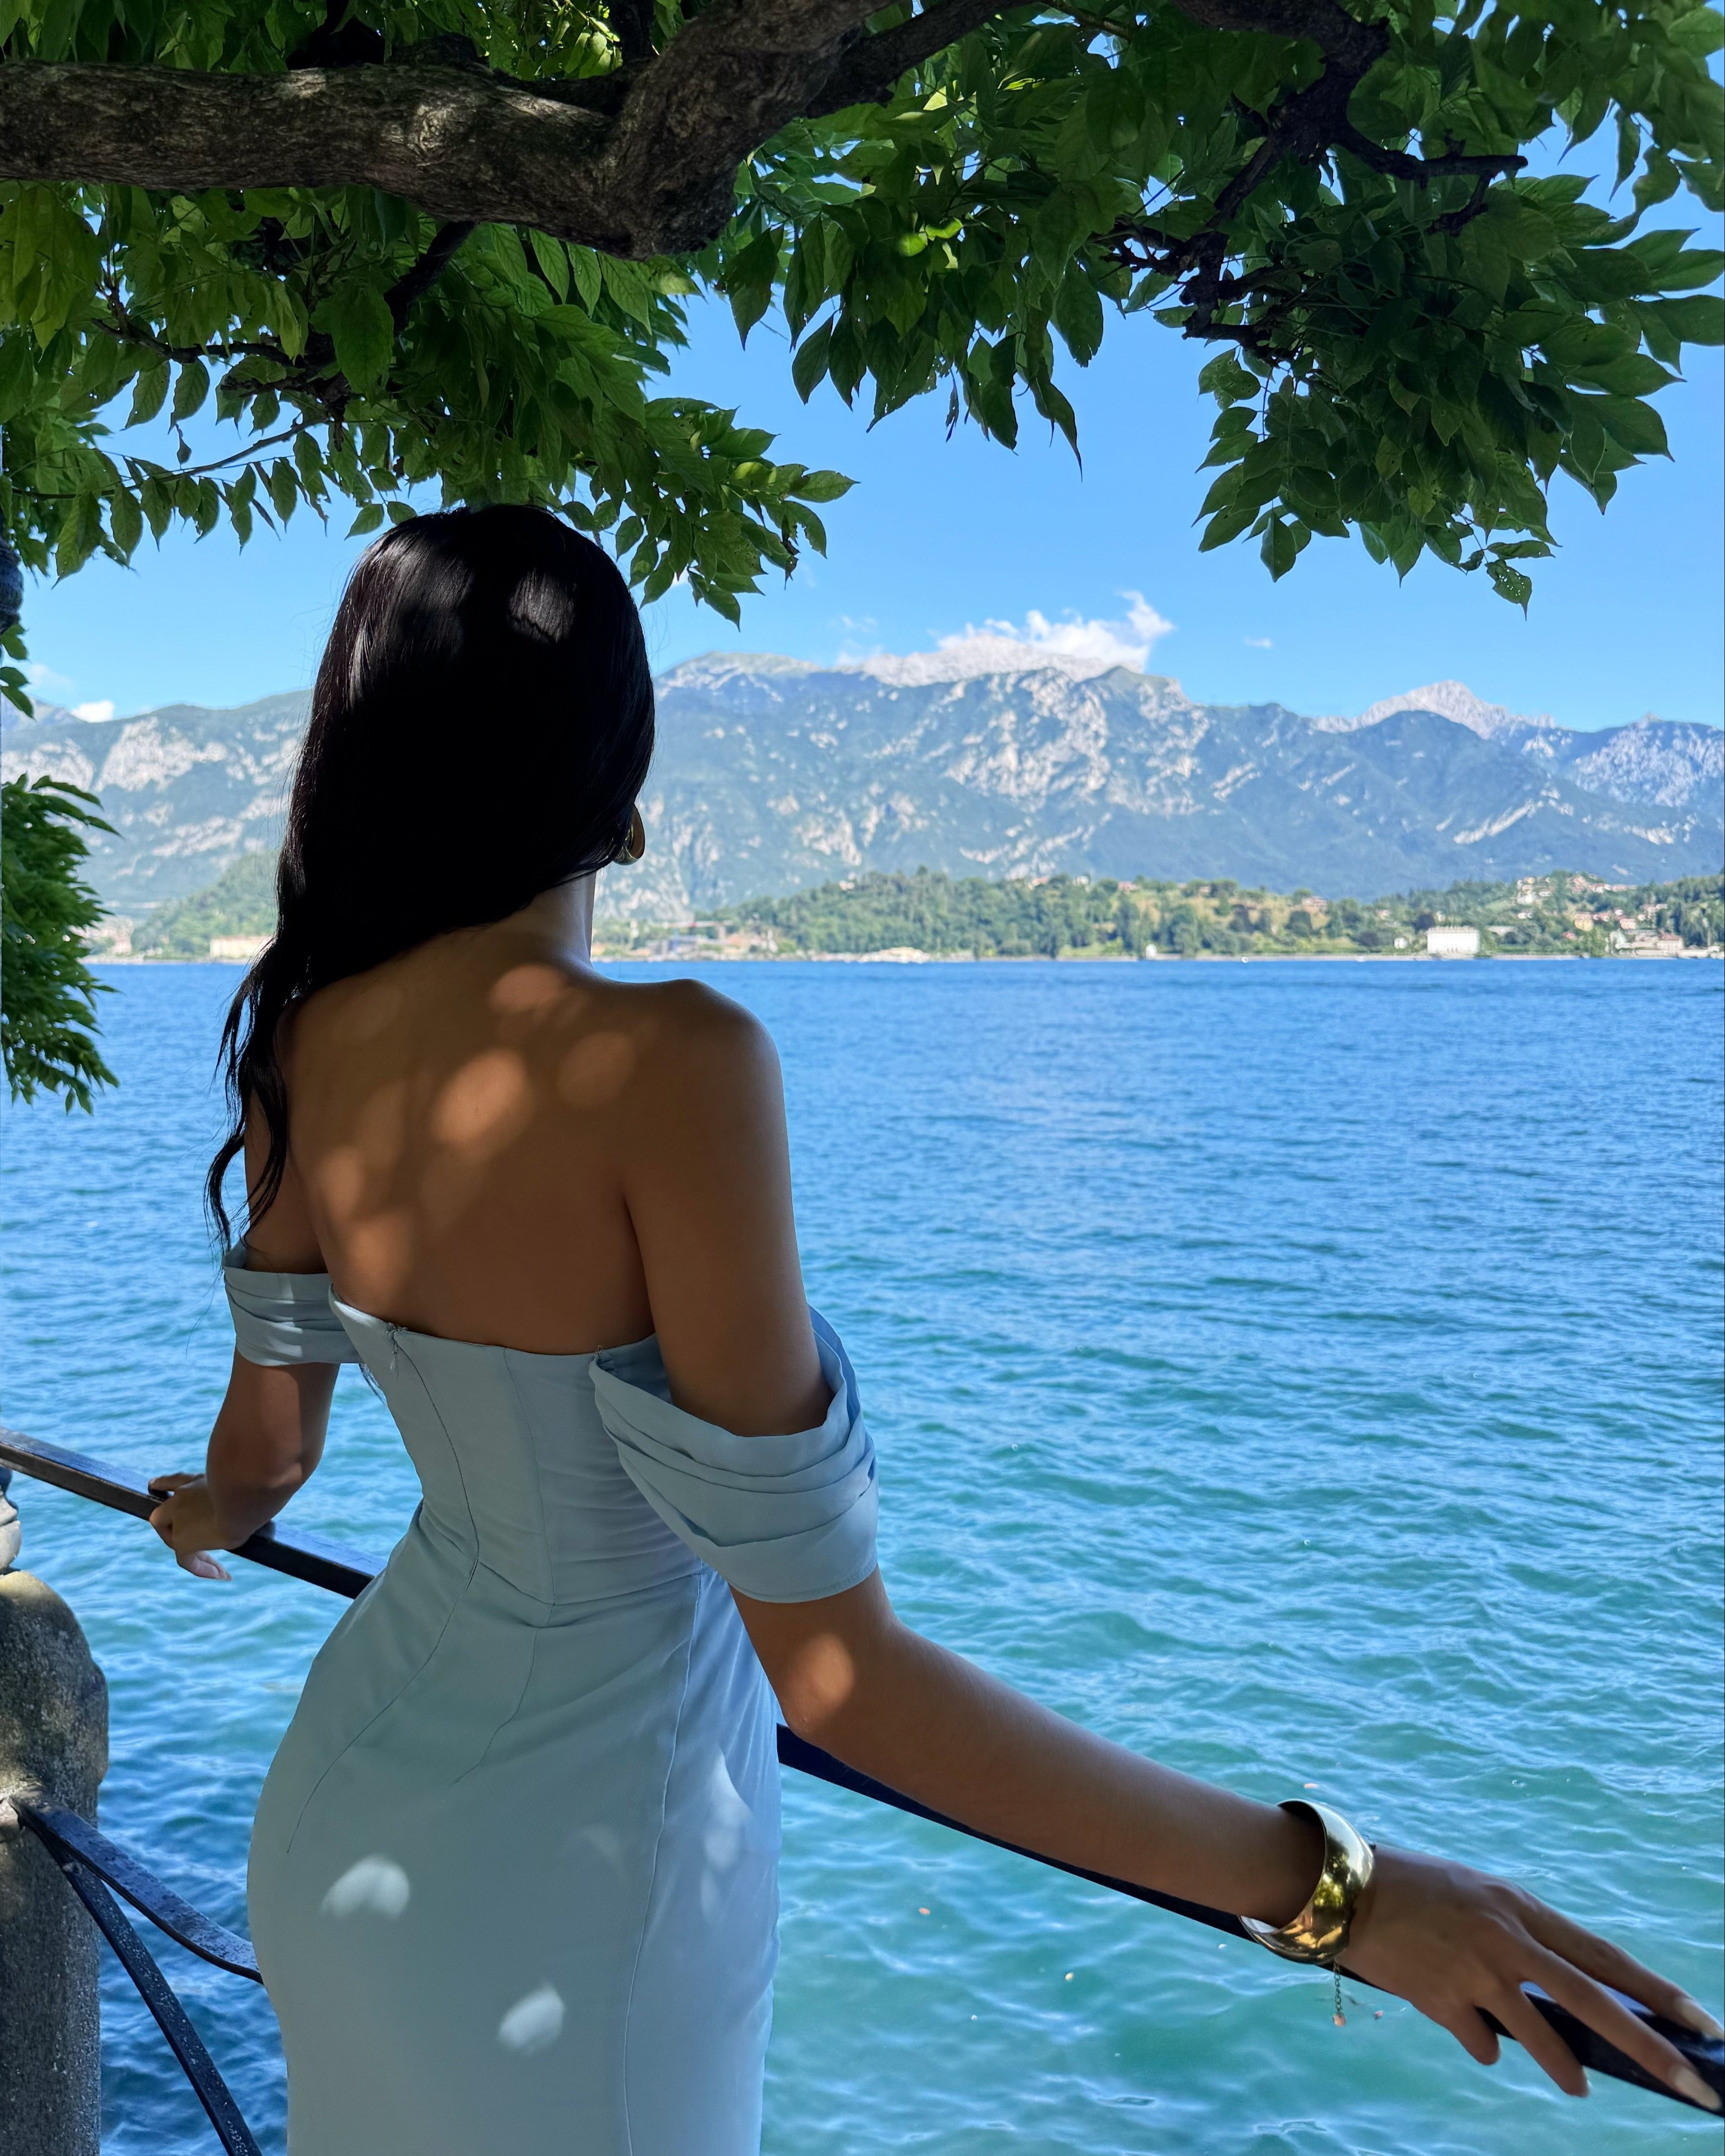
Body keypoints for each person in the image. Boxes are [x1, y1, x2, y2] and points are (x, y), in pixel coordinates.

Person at [149, 506, 1720, 2153]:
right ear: (622, 800)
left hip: (346, 1811)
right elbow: (838, 1679)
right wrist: (1343, 1892)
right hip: (581, 1874)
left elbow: (266, 1452)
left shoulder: (310, 1043)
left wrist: (200, 1517)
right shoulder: (668, 1064)